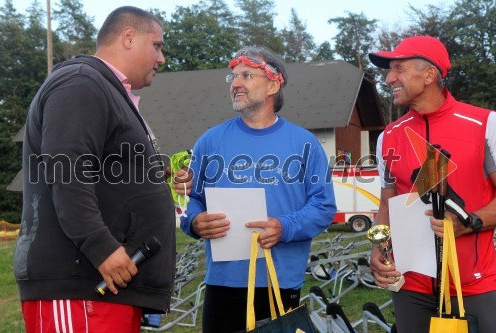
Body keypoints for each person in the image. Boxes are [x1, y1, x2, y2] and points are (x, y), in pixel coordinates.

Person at [14, 6, 190, 333]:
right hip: (81, 285)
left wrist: (159, 180)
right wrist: (101, 246)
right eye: (157, 45)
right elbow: (66, 171)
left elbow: (106, 172)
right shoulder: (81, 82)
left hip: (106, 287)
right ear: (128, 37)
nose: (162, 58)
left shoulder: (103, 88)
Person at [179, 45, 337, 333]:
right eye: (234, 77)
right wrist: (194, 222)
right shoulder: (210, 141)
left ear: (274, 85)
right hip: (224, 282)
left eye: (247, 76)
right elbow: (192, 200)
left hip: (280, 280)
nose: (236, 84)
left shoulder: (304, 143)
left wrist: (285, 227)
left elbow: (323, 206)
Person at [368, 35, 496, 333]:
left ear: (429, 74)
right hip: (411, 286)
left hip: (475, 284)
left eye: (398, 69)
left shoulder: (485, 124)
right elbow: (387, 204)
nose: (389, 79)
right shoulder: (388, 136)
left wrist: (470, 222)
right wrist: (377, 248)